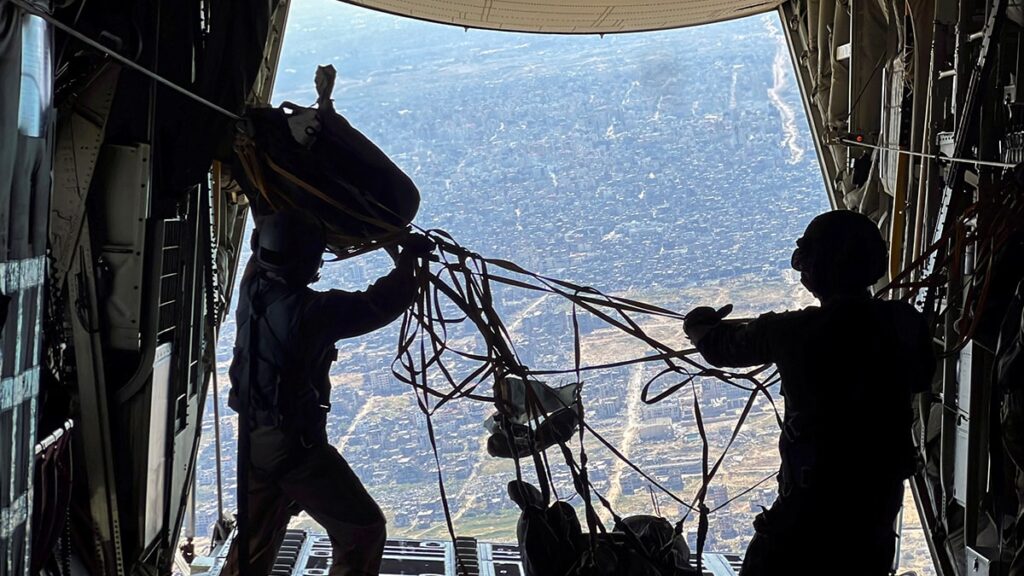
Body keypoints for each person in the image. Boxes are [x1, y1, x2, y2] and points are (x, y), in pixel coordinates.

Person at [683, 210, 934, 576]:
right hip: (873, 522)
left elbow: (720, 347)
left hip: (806, 520)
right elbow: (922, 376)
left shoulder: (791, 332)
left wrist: (698, 324)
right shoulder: (904, 322)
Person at [224, 209, 433, 576]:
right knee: (362, 531)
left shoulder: (252, 287)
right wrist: (410, 260)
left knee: (253, 546)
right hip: (295, 450)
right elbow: (378, 304)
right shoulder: (312, 312)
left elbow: (268, 242)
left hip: (254, 443)